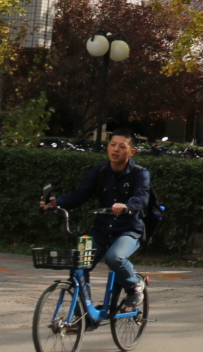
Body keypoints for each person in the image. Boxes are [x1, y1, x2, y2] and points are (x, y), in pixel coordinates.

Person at [41, 129, 150, 310]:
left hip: (128, 230)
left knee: (114, 258)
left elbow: (141, 198)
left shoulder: (140, 173)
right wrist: (56, 203)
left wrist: (126, 207)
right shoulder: (99, 170)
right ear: (108, 148)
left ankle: (134, 285)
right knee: (78, 265)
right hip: (100, 230)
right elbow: (79, 195)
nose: (116, 150)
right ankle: (83, 314)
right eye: (112, 145)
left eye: (122, 147)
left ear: (131, 152)